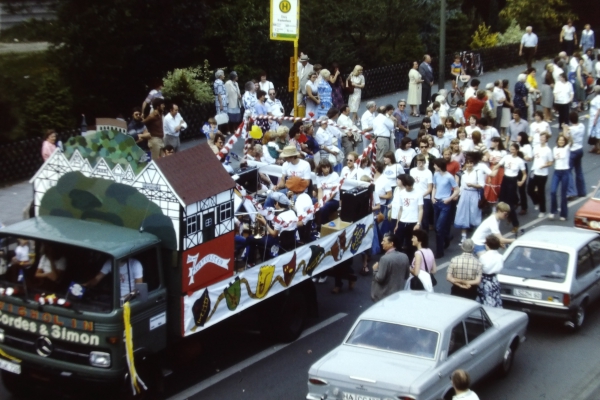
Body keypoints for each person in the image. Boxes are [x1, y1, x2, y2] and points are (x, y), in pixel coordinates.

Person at [454, 156, 485, 245]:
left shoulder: (477, 172)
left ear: (473, 163)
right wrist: (457, 195)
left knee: (474, 214)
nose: (469, 164)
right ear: (465, 164)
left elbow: (482, 185)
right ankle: (463, 237)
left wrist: (473, 185)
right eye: (468, 163)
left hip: (474, 194)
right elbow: (462, 186)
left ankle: (477, 237)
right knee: (463, 214)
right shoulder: (463, 173)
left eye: (471, 163)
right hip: (464, 194)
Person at [432, 159, 459, 258]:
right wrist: (432, 197)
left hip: (445, 203)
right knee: (437, 227)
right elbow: (434, 187)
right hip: (437, 202)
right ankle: (447, 237)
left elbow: (457, 190)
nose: (434, 166)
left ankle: (439, 252)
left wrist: (449, 199)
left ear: (440, 166)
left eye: (435, 165)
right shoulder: (436, 174)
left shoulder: (449, 177)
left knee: (439, 227)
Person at [371, 233, 409, 302]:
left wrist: (375, 269)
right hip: (398, 293)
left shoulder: (384, 259)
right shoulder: (404, 256)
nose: (382, 243)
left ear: (391, 244)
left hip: (384, 295)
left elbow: (379, 278)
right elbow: (406, 276)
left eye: (384, 241)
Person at [394, 175, 424, 252]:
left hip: (413, 222)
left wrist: (418, 223)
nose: (410, 187)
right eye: (408, 185)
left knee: (411, 245)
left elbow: (420, 209)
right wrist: (397, 224)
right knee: (398, 243)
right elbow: (400, 209)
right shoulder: (401, 193)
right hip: (402, 221)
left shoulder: (418, 193)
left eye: (411, 185)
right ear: (404, 184)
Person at [528, 132, 554, 217]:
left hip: (543, 174)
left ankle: (542, 210)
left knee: (541, 191)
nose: (542, 139)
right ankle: (536, 202)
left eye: (543, 138)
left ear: (546, 139)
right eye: (541, 137)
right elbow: (532, 158)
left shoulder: (548, 150)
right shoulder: (535, 147)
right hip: (534, 171)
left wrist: (545, 165)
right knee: (529, 189)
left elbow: (551, 162)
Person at [477, 235, 504, 307]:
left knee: (485, 298)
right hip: (494, 280)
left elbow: (479, 269)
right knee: (495, 297)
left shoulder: (483, 257)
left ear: (488, 245)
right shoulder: (500, 257)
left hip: (485, 280)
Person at [565, 111, 586, 200]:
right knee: (579, 171)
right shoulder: (582, 126)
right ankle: (582, 191)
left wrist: (564, 128)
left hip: (573, 150)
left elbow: (566, 137)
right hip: (580, 149)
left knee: (568, 171)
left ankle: (571, 192)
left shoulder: (570, 129)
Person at [410, 153, 434, 231]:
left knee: (424, 220)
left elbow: (430, 188)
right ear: (416, 162)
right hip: (413, 197)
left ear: (424, 162)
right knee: (414, 218)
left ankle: (424, 238)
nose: (420, 164)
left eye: (422, 162)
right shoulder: (412, 171)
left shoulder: (428, 172)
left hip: (425, 198)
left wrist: (421, 196)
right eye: (419, 162)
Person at [315, 158, 340, 226]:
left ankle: (323, 226)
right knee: (312, 203)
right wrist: (320, 201)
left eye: (328, 167)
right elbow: (320, 191)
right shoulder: (319, 176)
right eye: (324, 167)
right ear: (321, 168)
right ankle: (315, 225)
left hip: (334, 200)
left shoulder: (335, 175)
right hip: (323, 199)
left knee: (324, 207)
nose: (327, 169)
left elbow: (334, 193)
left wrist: (324, 202)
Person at [589, 86, 600, 154]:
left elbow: (599, 109)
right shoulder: (596, 98)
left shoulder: (598, 99)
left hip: (596, 117)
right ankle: (595, 147)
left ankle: (599, 147)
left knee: (597, 132)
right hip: (593, 117)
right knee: (593, 132)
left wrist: (595, 119)